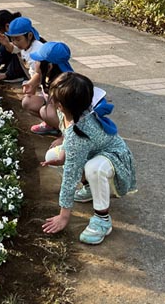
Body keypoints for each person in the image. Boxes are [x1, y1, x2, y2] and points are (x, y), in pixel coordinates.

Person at [41, 72, 137, 245]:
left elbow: (70, 176)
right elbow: (68, 141)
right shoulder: (72, 112)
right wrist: (62, 156)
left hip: (114, 157)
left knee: (94, 168)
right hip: (92, 150)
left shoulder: (79, 132)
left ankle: (102, 220)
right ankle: (90, 188)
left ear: (60, 105)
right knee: (53, 155)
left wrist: (64, 216)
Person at [23, 41, 73, 136]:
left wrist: (63, 139)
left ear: (49, 66)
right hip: (54, 108)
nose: (35, 62)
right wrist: (31, 84)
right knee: (27, 101)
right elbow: (38, 75)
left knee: (45, 111)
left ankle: (67, 135)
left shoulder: (63, 85)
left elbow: (72, 115)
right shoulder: (49, 74)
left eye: (38, 60)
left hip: (69, 118)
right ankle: (51, 125)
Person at [0, 10, 25, 83]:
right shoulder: (10, 32)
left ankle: (16, 74)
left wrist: (6, 75)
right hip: (19, 53)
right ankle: (8, 67)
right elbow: (3, 50)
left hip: (28, 61)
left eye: (0, 30)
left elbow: (20, 52)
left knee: (10, 48)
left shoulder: (19, 33)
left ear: (7, 25)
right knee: (2, 42)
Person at [4, 16, 45, 85]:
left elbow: (38, 76)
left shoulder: (36, 52)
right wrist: (6, 43)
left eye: (18, 39)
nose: (15, 42)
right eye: (12, 39)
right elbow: (13, 49)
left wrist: (29, 85)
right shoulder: (25, 45)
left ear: (30, 35)